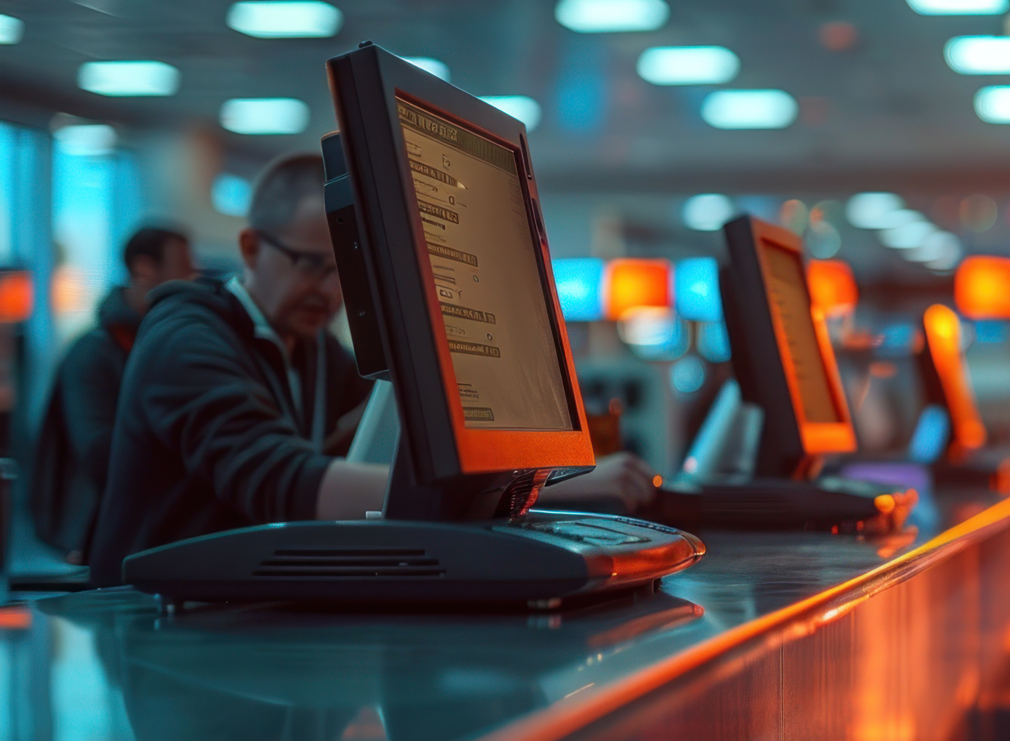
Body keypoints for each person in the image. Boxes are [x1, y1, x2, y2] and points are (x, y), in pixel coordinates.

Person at [87, 153, 652, 586]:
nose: (331, 293)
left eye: (345, 273)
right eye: (313, 266)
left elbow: (402, 451)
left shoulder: (310, 351)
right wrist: (536, 496)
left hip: (247, 619)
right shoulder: (184, 339)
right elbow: (285, 484)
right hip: (145, 627)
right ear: (251, 247)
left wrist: (531, 475)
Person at [29, 226, 197, 563]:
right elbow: (98, 456)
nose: (192, 279)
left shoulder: (159, 345)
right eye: (183, 267)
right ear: (145, 269)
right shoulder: (94, 353)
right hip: (99, 540)